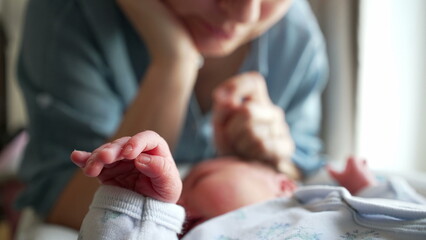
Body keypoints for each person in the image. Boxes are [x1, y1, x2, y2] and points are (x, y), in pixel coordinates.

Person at [16, 0, 328, 230]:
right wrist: (174, 64)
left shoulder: (294, 37)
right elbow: (66, 209)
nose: (245, 15)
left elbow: (298, 179)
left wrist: (274, 158)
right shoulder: (70, 15)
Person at [72, 131, 426, 239]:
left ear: (284, 185)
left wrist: (369, 190)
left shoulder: (321, 204)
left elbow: (408, 210)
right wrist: (136, 205)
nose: (177, 207)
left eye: (201, 179)